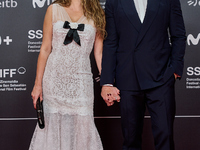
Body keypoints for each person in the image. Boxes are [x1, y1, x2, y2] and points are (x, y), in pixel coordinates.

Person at [100, 0, 186, 150]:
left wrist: (174, 71)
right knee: (130, 140)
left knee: (165, 138)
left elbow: (178, 35)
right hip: (127, 78)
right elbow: (111, 42)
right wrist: (107, 82)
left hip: (161, 78)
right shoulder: (114, 2)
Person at [29, 0, 105, 149]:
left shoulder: (98, 14)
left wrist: (107, 83)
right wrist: (37, 85)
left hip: (82, 82)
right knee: (52, 125)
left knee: (84, 127)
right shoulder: (54, 9)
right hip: (54, 80)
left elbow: (99, 52)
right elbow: (45, 48)